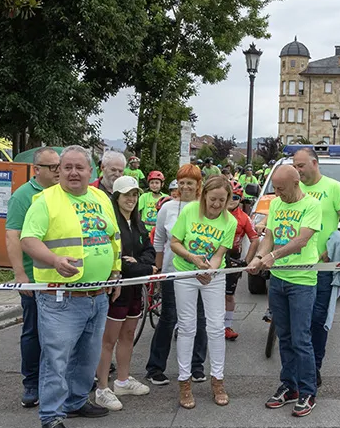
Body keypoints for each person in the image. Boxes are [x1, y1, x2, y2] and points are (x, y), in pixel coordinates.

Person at [20, 145, 122, 428]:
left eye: (80, 167)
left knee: (88, 356)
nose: (74, 172)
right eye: (67, 167)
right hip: (60, 298)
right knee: (56, 359)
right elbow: (28, 239)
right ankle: (51, 416)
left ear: (91, 172)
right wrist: (54, 261)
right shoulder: (45, 201)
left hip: (98, 295)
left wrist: (114, 274)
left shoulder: (101, 197)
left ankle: (76, 401)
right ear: (58, 171)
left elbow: (113, 238)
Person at [248, 165, 322, 417]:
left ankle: (308, 390)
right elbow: (269, 235)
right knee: (285, 337)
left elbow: (301, 240)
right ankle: (289, 386)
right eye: (275, 188)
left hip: (301, 280)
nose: (277, 193)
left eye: (281, 188)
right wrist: (259, 257)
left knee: (301, 338)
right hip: (278, 280)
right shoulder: (276, 204)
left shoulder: (311, 206)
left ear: (296, 183)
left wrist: (273, 255)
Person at [170, 175, 236, 409]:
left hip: (213, 276)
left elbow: (220, 253)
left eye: (222, 200)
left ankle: (218, 380)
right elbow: (175, 242)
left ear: (228, 199)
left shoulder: (230, 221)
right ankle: (184, 381)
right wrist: (192, 259)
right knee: (187, 327)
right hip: (185, 274)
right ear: (204, 196)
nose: (217, 205)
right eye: (212, 199)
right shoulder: (189, 212)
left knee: (216, 327)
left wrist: (210, 270)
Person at [292, 147, 340, 386]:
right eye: (295, 166)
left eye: (301, 166)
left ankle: (314, 367)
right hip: (296, 265)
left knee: (317, 319)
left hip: (322, 267)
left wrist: (332, 250)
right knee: (298, 320)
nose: (297, 171)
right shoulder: (294, 189)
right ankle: (298, 367)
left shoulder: (333, 188)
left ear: (315, 164)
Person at [94, 176, 157, 411]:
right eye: (126, 194)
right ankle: (102, 387)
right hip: (116, 289)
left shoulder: (139, 224)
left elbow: (149, 251)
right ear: (116, 197)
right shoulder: (111, 222)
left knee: (128, 334)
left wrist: (142, 263)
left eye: (135, 194)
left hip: (135, 289)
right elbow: (119, 262)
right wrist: (145, 267)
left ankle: (122, 380)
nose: (131, 199)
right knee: (108, 339)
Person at [5, 146, 61, 408]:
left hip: (61, 276)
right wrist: (20, 274)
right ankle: (31, 382)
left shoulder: (63, 193)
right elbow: (13, 235)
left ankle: (60, 379)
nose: (58, 171)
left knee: (61, 332)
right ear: (36, 169)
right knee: (33, 330)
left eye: (59, 166)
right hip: (34, 276)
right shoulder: (23, 196)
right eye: (52, 167)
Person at [145, 164, 207, 386]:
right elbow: (159, 240)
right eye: (182, 182)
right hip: (173, 272)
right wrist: (158, 269)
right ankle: (155, 367)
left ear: (198, 185)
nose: (185, 186)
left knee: (199, 318)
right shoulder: (168, 208)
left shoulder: (205, 207)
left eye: (190, 182)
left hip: (199, 273)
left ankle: (196, 366)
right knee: (169, 317)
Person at [224, 181, 260, 340]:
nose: (232, 200)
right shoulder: (214, 212)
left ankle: (226, 326)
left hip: (233, 258)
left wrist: (247, 260)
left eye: (236, 197)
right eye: (229, 197)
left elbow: (255, 239)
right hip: (212, 257)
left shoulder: (243, 218)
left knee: (228, 295)